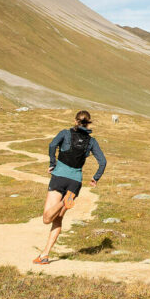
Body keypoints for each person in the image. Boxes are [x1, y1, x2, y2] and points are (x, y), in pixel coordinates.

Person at [33, 110, 107, 265]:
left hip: (59, 177)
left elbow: (52, 145)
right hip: (75, 183)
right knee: (58, 218)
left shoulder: (65, 133)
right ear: (88, 123)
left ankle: (63, 201)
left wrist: (52, 163)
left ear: (75, 121)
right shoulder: (92, 141)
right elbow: (103, 162)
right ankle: (44, 255)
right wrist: (95, 178)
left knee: (47, 218)